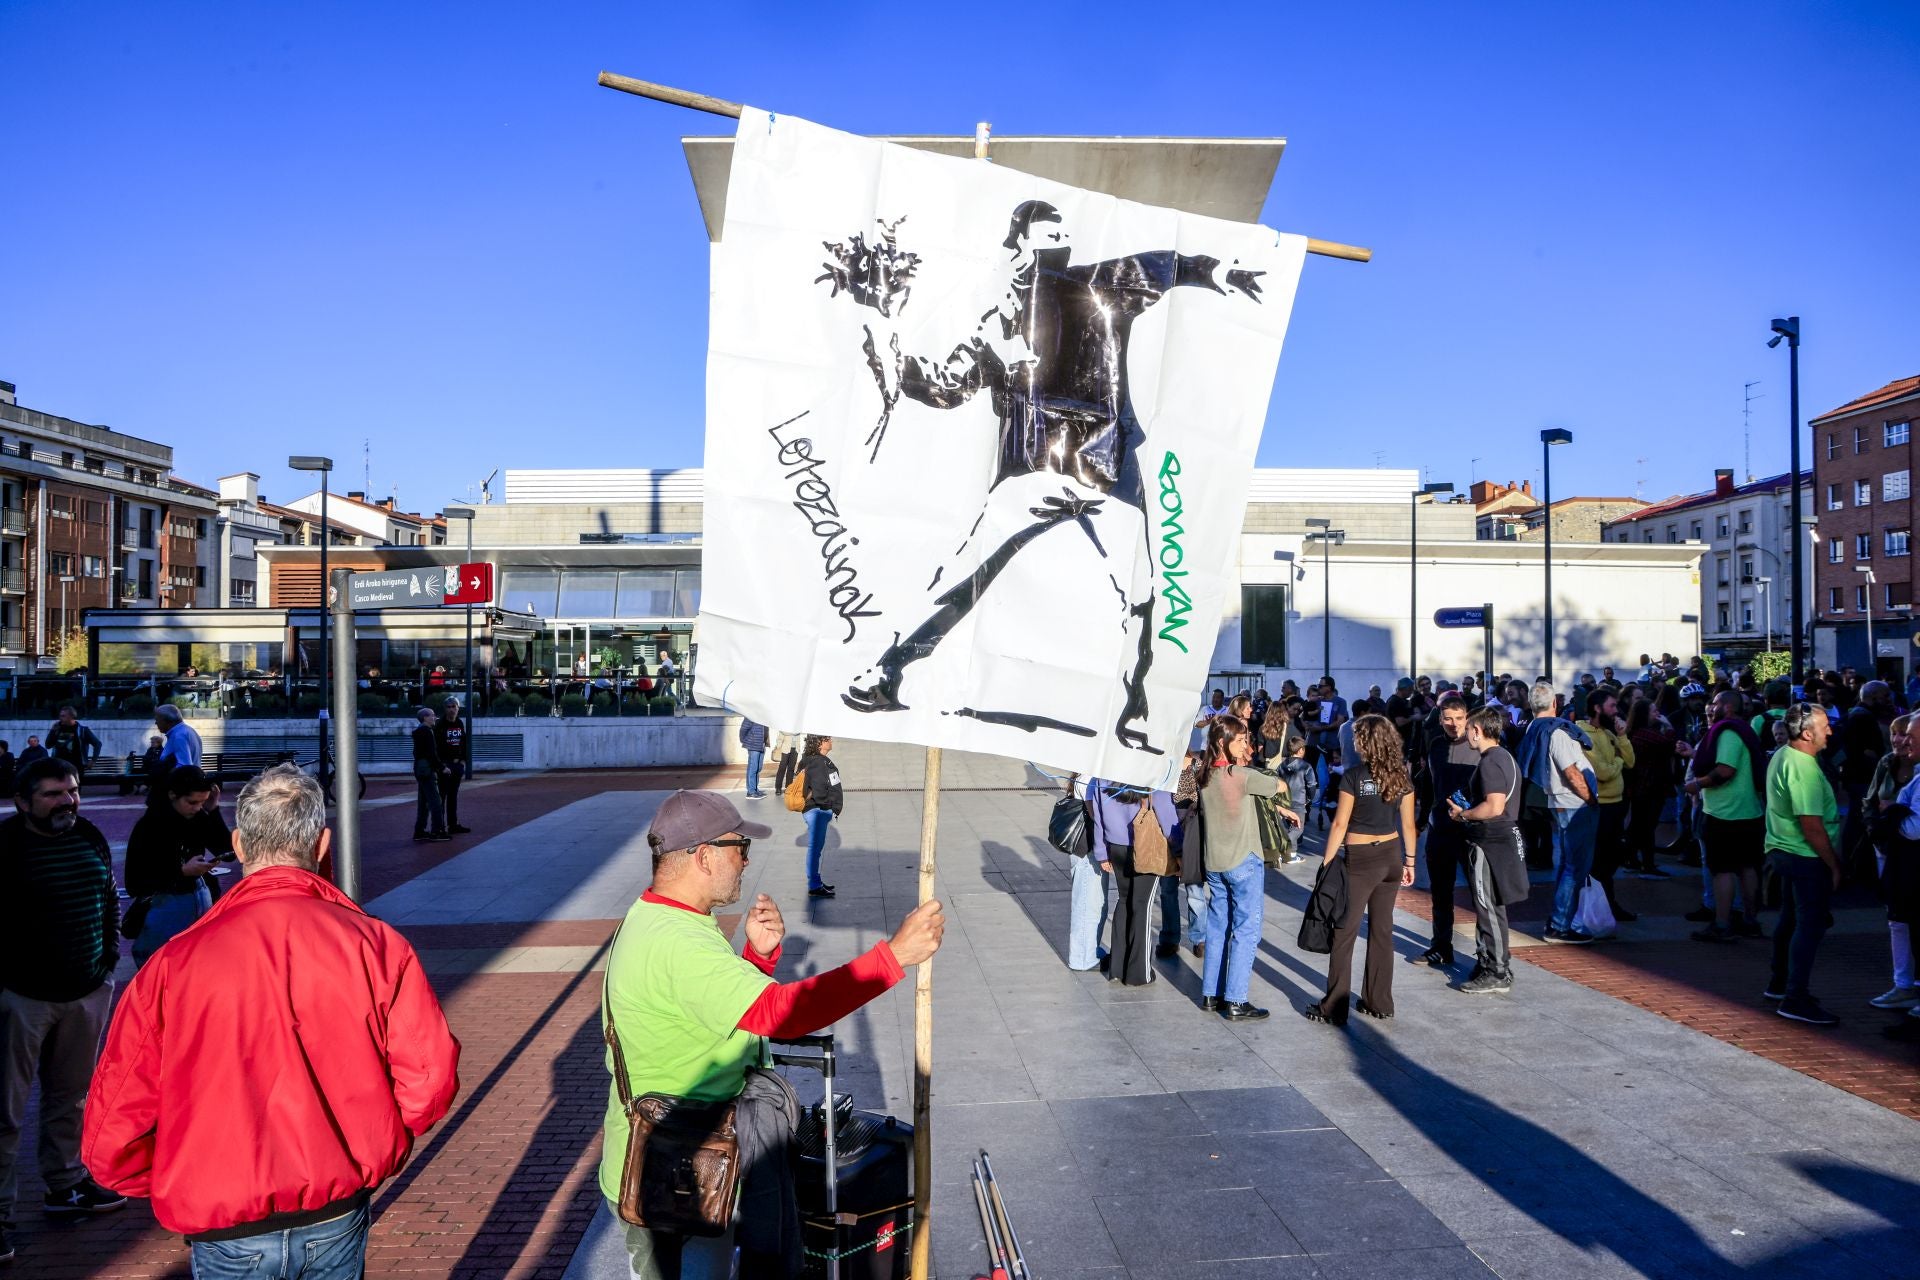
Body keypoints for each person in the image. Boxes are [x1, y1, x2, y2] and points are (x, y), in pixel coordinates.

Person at [83, 765, 460, 1276]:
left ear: (239, 845)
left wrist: (173, 1172)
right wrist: (372, 1141)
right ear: (322, 844)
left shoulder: (177, 962)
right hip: (335, 1201)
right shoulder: (373, 944)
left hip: (225, 1210)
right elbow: (429, 1077)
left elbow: (119, 1108)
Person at [600, 790, 943, 1278]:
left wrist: (757, 961)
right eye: (740, 847)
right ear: (703, 855)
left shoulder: (660, 919)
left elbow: (709, 1017)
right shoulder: (678, 942)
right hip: (674, 1181)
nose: (745, 860)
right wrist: (892, 958)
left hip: (683, 1165)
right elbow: (782, 1014)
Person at [0, 759, 126, 1264]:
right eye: (53, 794)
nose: (66, 801)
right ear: (24, 801)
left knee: (70, 1097)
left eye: (71, 791)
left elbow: (107, 898)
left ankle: (65, 1183)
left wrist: (107, 961)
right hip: (22, 997)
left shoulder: (89, 834)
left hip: (85, 990)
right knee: (4, 1113)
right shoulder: (6, 847)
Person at [1304, 715, 1416, 1025]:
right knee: (1382, 931)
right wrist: (1410, 862)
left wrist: (1326, 864)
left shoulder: (1353, 776)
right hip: (1392, 856)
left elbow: (1340, 824)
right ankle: (1379, 1002)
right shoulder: (1401, 777)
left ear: (1365, 742)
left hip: (1361, 859)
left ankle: (1335, 1005)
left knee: (1345, 931)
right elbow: (1408, 824)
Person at [1196, 715, 1289, 1020]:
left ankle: (1211, 993)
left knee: (1217, 925)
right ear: (1223, 742)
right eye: (1240, 739)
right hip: (1243, 859)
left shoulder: (1205, 774)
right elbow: (1279, 785)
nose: (1245, 744)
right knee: (1246, 929)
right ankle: (1236, 998)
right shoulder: (1242, 775)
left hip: (1215, 861)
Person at [1764, 703, 1843, 1026]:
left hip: (1785, 850)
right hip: (1803, 855)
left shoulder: (1784, 754)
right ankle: (1794, 997)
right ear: (1807, 733)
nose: (1830, 731)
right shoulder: (1803, 766)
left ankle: (1780, 984)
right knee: (1808, 925)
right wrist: (1835, 865)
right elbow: (1811, 824)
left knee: (1791, 920)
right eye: (1825, 726)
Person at [1448, 706, 1529, 993]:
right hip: (1498, 838)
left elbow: (1494, 806)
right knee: (1492, 905)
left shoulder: (1491, 761)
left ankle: (1496, 969)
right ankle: (1490, 961)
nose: (1465, 733)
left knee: (1488, 906)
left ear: (1478, 730)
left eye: (1468, 727)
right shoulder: (1504, 756)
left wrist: (1463, 815)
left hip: (1489, 840)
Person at [123, 766, 231, 968]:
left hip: (198, 899)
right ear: (172, 795)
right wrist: (180, 871)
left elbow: (225, 849)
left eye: (202, 802)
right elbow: (135, 882)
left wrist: (213, 810)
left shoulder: (199, 817)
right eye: (192, 802)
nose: (197, 808)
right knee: (161, 964)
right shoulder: (150, 826)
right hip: (163, 906)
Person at [1518, 684, 1600, 943]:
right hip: (1574, 802)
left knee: (1568, 863)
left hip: (1561, 800)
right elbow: (1571, 772)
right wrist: (1590, 798)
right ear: (1554, 703)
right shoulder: (1556, 733)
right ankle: (1560, 924)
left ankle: (1561, 920)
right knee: (1574, 866)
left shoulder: (1535, 728)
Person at [1685, 691, 1768, 944]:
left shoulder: (1729, 732)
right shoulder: (1743, 729)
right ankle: (1750, 921)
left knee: (1722, 870)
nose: (1711, 707)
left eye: (1716, 703)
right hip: (1749, 810)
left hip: (1726, 812)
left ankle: (1722, 924)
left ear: (1728, 707)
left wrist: (1697, 784)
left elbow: (1726, 769)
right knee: (1747, 867)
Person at [1087, 779, 1177, 985]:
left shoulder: (1102, 774)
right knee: (1142, 907)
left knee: (1124, 901)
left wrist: (1102, 852)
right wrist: (1177, 846)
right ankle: (1140, 972)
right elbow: (1164, 809)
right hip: (1146, 844)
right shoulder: (1149, 770)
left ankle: (1118, 967)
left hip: (1115, 846)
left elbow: (1098, 816)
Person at [1416, 695, 1478, 968]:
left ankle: (1486, 955)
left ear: (1468, 718)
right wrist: (1420, 821)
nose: (1453, 724)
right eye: (1448, 719)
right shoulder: (1437, 745)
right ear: (1440, 720)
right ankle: (1441, 946)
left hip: (1471, 830)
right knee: (1441, 892)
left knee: (1481, 895)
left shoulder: (1479, 747)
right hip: (1439, 828)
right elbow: (1429, 786)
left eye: (1459, 718)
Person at [1867, 715, 1919, 1011]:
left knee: (1911, 918)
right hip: (1888, 851)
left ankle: (1911, 985)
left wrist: (1894, 811)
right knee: (1897, 918)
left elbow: (1914, 828)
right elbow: (1871, 801)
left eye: (1907, 735)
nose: (1901, 741)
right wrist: (1876, 827)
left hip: (1910, 855)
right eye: (1898, 735)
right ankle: (1903, 983)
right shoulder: (1888, 763)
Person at [1580, 689, 1637, 922]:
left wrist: (1622, 737)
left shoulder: (1609, 732)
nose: (1616, 711)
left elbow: (1631, 762)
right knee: (1600, 860)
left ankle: (1609, 904)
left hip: (1617, 804)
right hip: (1600, 807)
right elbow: (1602, 772)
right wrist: (1618, 761)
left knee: (1613, 857)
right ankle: (1600, 908)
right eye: (1612, 706)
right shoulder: (1586, 734)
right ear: (1597, 708)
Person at [1623, 699, 1679, 878]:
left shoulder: (1636, 732)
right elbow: (1670, 744)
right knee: (1647, 825)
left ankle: (1633, 859)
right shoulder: (1645, 734)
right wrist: (1668, 725)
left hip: (1641, 785)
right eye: (1654, 711)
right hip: (1650, 786)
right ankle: (1647, 863)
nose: (1657, 713)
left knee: (1638, 824)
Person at [1065, 774, 1113, 972]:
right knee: (1088, 903)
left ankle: (1090, 949)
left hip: (1087, 850)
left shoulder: (1086, 775)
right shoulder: (1088, 778)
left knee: (1096, 902)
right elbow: (1095, 813)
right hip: (1087, 850)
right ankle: (1083, 959)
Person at [800, 734, 842, 898]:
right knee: (815, 849)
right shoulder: (817, 762)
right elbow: (818, 789)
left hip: (817, 810)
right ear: (819, 743)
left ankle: (816, 881)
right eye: (828, 739)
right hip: (817, 810)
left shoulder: (814, 760)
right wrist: (830, 806)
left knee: (816, 848)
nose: (831, 741)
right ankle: (814, 885)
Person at [412, 707, 451, 843]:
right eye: (432, 715)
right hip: (428, 770)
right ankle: (437, 831)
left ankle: (420, 831)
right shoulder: (427, 732)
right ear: (425, 718)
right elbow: (431, 754)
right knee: (436, 801)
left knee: (423, 802)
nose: (434, 718)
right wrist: (442, 768)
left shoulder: (418, 732)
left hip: (419, 769)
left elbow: (418, 753)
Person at [437, 696, 472, 834]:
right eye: (449, 707)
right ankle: (440, 826)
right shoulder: (439, 724)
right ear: (445, 709)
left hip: (457, 765)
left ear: (458, 708)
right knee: (442, 796)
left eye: (454, 707)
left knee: (453, 796)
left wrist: (463, 761)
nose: (451, 709)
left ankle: (453, 824)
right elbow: (436, 746)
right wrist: (441, 765)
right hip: (445, 766)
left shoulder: (459, 723)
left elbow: (464, 742)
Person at [44, 707, 102, 779]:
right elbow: (48, 745)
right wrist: (52, 731)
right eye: (60, 716)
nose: (60, 718)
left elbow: (97, 744)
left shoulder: (82, 730)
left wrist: (93, 760)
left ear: (71, 716)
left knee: (75, 787)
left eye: (63, 716)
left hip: (76, 765)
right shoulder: (57, 729)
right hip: (59, 765)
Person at [153, 704, 202, 772]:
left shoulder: (179, 736)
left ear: (166, 721)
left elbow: (184, 766)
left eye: (157, 719)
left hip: (181, 781)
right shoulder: (189, 730)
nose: (156, 723)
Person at [737, 718, 770, 799]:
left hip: (762, 745)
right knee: (753, 768)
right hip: (753, 745)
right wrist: (745, 740)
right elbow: (743, 729)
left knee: (758, 768)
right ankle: (751, 792)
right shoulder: (751, 714)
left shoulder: (763, 715)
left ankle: (755, 789)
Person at [770, 730, 801, 797]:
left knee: (791, 769)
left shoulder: (798, 727)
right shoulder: (785, 727)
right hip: (785, 749)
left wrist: (798, 748)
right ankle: (778, 788)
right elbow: (780, 738)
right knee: (782, 768)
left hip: (795, 750)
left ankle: (788, 788)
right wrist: (778, 747)